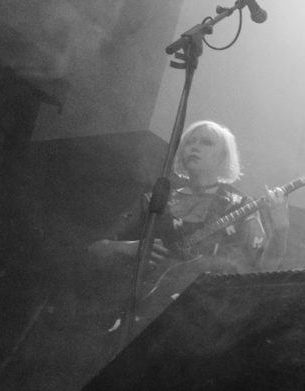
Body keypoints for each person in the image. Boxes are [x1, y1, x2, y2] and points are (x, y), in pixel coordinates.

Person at [88, 120, 288, 326]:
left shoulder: (239, 206)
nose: (194, 146)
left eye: (206, 142)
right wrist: (128, 248)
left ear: (223, 156)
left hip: (203, 321)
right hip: (135, 314)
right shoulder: (155, 200)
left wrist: (281, 229)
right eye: (190, 142)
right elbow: (94, 250)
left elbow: (264, 267)